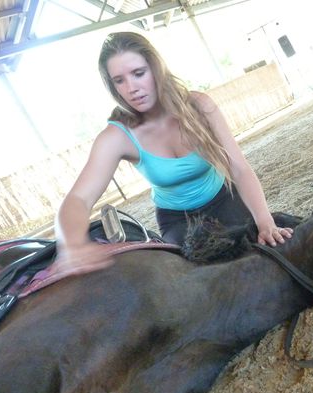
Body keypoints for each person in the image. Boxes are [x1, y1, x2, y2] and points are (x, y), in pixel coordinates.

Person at [55, 31, 292, 271]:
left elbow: (239, 169)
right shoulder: (117, 136)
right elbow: (78, 199)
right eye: (119, 80)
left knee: (266, 258)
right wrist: (72, 245)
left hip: (224, 198)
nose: (131, 88)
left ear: (155, 69)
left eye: (138, 73)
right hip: (178, 221)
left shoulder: (199, 106)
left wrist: (265, 221)